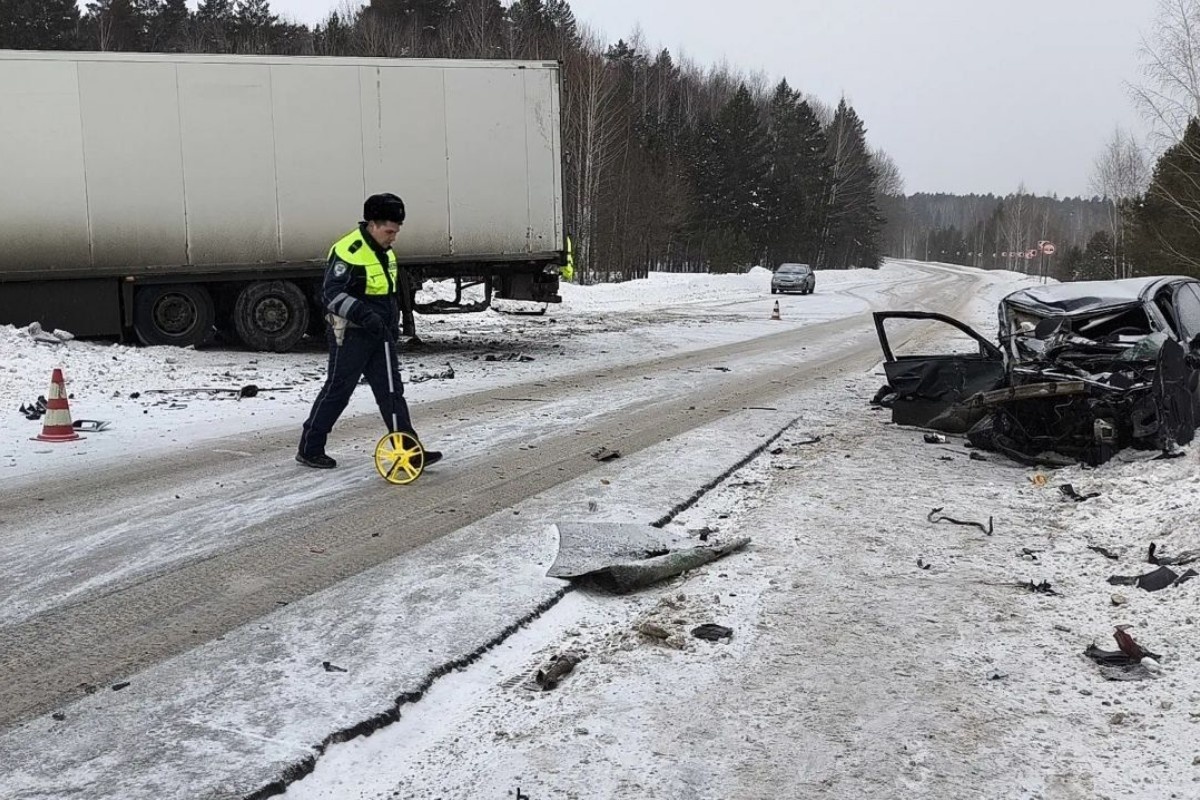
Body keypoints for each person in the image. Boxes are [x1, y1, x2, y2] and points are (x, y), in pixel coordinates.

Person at [297, 193, 442, 470]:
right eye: (389, 231)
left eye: (396, 232)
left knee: (392, 391)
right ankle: (309, 448)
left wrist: (391, 322)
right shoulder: (348, 250)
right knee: (338, 390)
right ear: (372, 224)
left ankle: (408, 451)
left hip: (381, 333)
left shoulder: (385, 251)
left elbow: (387, 293)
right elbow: (331, 294)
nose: (393, 237)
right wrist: (366, 315)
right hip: (351, 334)